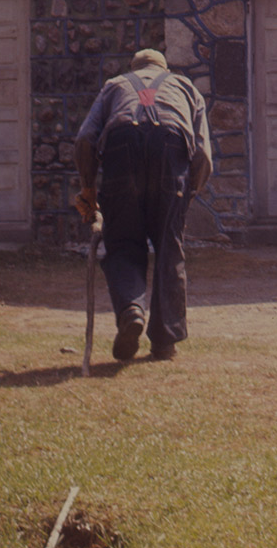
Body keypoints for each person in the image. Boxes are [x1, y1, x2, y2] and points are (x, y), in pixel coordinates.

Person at [73, 48, 212, 364]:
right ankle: (164, 342)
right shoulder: (186, 87)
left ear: (133, 69)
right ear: (164, 69)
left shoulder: (114, 86)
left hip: (121, 147)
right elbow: (203, 155)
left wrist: (88, 190)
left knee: (122, 242)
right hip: (171, 148)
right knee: (168, 248)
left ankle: (131, 310)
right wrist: (186, 196)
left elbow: (85, 139)